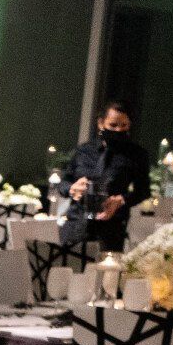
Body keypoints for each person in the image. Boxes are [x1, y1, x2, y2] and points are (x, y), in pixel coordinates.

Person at [60, 99, 148, 249]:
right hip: (75, 224)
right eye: (113, 125)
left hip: (111, 229)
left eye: (124, 125)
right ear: (101, 123)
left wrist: (121, 200)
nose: (119, 130)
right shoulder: (84, 150)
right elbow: (64, 183)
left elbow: (143, 191)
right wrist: (72, 188)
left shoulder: (136, 154)